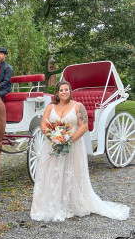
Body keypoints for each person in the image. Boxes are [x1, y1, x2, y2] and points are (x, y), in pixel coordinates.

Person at [30, 81, 129, 222]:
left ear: (70, 91)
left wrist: (68, 140)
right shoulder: (50, 107)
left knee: (72, 172)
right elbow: (44, 125)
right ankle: (50, 203)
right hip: (52, 144)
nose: (64, 92)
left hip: (73, 145)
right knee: (53, 173)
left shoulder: (78, 106)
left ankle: (71, 203)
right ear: (57, 93)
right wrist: (53, 137)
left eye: (67, 89)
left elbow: (83, 126)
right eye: (61, 90)